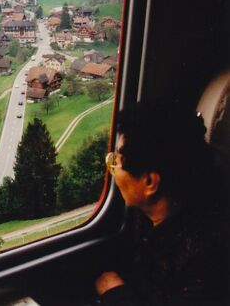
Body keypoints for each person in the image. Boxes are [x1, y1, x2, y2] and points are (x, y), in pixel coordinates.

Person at [95, 103, 228, 305]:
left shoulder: (204, 260)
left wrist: (116, 294)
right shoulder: (150, 215)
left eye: (117, 162)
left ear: (150, 183)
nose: (113, 170)